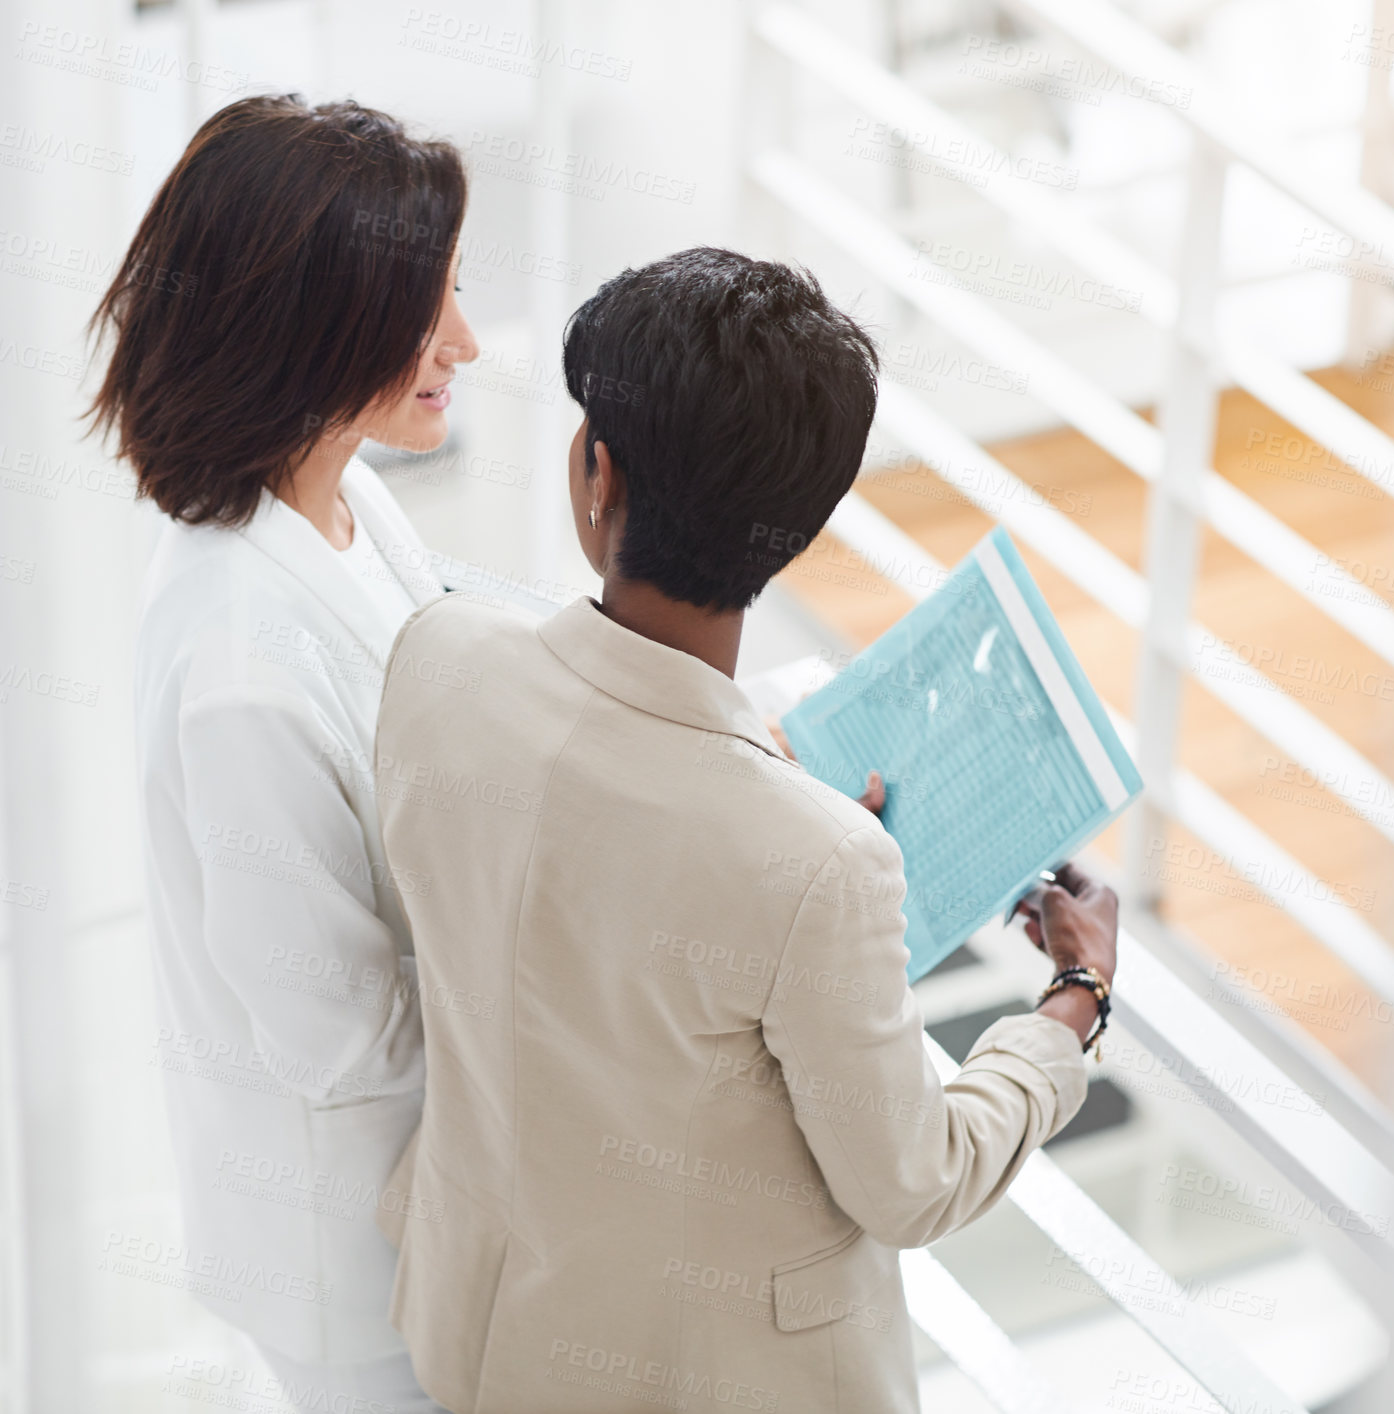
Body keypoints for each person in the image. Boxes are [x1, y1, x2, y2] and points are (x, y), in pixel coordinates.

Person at [373, 247, 1118, 1413]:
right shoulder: (817, 863)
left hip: (475, 1327)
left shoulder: (435, 657)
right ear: (795, 530)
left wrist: (775, 816)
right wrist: (1074, 1000)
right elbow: (913, 1184)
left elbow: (554, 885)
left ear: (597, 475)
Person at [90, 94, 477, 1410]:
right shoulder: (238, 672)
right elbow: (337, 1031)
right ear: (317, 335)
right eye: (426, 317)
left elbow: (453, 661)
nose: (465, 344)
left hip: (425, 1219)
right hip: (354, 1273)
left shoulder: (337, 487)